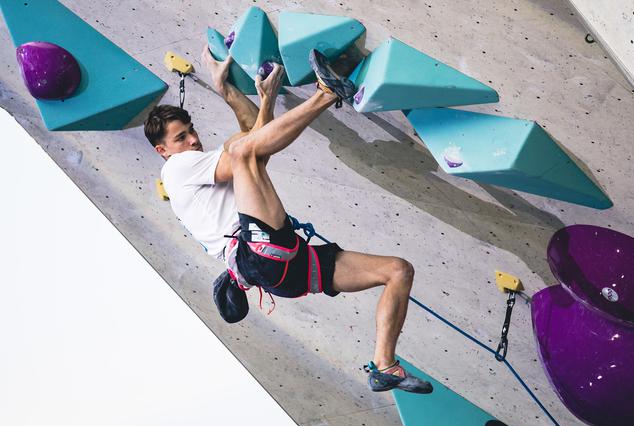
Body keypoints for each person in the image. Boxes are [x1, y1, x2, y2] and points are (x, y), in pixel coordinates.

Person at [143, 46, 432, 394]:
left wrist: (231, 90)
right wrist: (262, 98)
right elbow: (250, 150)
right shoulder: (175, 168)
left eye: (191, 130)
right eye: (181, 138)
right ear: (163, 150)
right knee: (244, 153)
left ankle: (385, 366)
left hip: (284, 270)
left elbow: (256, 137)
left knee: (398, 270)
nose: (193, 139)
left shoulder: (199, 165)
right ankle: (326, 93)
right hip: (257, 256)